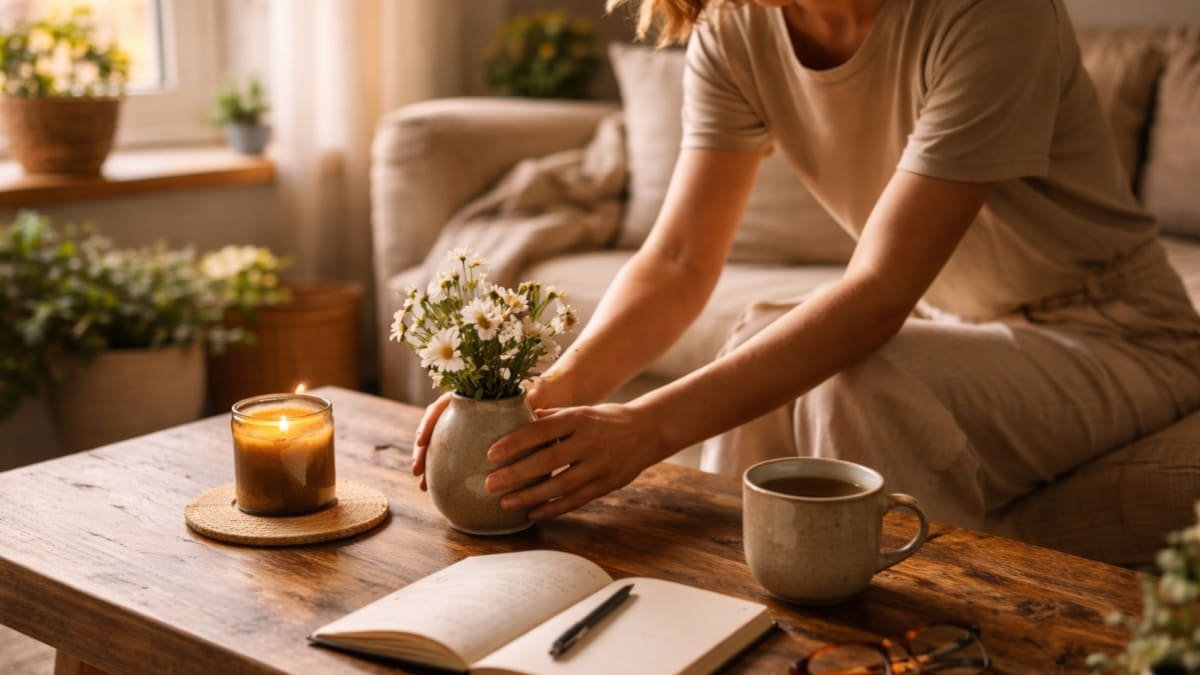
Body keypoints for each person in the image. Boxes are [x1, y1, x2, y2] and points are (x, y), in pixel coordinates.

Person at [412, 0, 1200, 528]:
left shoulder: (988, 12)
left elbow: (880, 290)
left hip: (1118, 333)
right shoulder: (737, 30)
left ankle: (925, 640)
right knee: (765, 333)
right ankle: (731, 622)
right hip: (956, 321)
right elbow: (682, 258)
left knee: (855, 376)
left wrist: (645, 428)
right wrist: (544, 396)